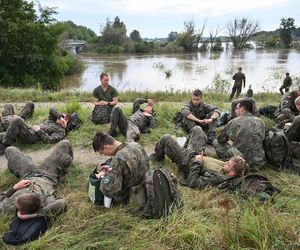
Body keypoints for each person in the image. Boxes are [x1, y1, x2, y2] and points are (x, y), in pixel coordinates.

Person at [0, 140, 73, 214]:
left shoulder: (7, 206)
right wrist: (36, 214)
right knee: (64, 143)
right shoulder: (46, 201)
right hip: (48, 175)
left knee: (10, 149)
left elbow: (2, 197)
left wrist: (15, 188)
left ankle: (28, 160)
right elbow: (62, 204)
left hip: (27, 173)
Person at [92, 131, 149, 204]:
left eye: (102, 153)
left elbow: (107, 190)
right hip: (146, 186)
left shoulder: (117, 160)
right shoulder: (136, 145)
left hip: (131, 196)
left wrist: (105, 176)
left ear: (107, 147)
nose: (105, 155)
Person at [214, 99, 266, 171]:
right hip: (258, 162)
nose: (235, 111)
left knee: (216, 142)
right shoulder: (261, 122)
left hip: (239, 162)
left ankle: (231, 160)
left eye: (236, 108)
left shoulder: (234, 121)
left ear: (242, 109)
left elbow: (221, 139)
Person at [0, 107, 70, 155]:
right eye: (60, 116)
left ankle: (4, 145)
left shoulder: (61, 131)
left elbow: (50, 140)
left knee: (17, 120)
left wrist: (39, 130)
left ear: (66, 121)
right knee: (3, 134)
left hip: (31, 137)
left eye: (63, 117)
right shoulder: (52, 120)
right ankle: (5, 142)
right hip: (28, 131)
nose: (60, 118)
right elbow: (52, 109)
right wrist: (60, 117)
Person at [181, 153, 248, 189]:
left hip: (187, 161)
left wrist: (197, 162)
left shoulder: (217, 178)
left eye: (228, 164)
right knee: (198, 130)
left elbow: (192, 182)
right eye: (228, 161)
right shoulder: (227, 169)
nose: (226, 162)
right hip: (193, 155)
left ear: (231, 172)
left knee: (169, 139)